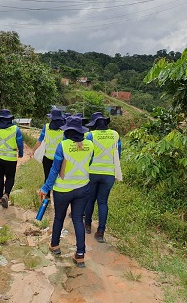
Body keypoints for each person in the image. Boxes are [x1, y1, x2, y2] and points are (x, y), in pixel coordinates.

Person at [38, 115, 94, 268]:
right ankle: (80, 255)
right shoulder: (90, 144)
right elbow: (89, 162)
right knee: (77, 220)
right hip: (82, 188)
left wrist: (45, 188)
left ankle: (55, 246)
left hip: (62, 190)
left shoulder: (62, 145)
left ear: (67, 131)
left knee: (59, 218)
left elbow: (55, 170)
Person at [84, 112, 121, 243]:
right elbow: (118, 153)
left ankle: (87, 225)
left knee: (90, 199)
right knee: (103, 202)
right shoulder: (115, 135)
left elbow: (86, 154)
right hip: (109, 174)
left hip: (92, 172)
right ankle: (100, 232)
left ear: (94, 124)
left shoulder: (90, 135)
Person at [0, 109, 24, 208]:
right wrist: (21, 153)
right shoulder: (16, 129)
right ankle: (6, 195)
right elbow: (20, 143)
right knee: (10, 177)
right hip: (10, 159)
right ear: (10, 119)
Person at [31, 108, 65, 184]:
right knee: (59, 177)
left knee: (47, 177)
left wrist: (33, 151)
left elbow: (39, 141)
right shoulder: (64, 130)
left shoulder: (46, 127)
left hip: (47, 157)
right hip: (59, 157)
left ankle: (47, 195)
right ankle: (56, 194)